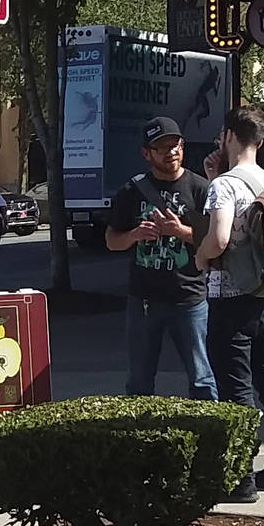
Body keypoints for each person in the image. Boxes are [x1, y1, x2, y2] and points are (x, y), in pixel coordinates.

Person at [195, 105, 264, 502]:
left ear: (228, 136)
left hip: (230, 298)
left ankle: (241, 478)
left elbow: (220, 238)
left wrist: (201, 257)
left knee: (235, 387)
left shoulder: (224, 186)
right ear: (259, 140)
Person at [105, 116, 217, 402]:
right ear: (147, 154)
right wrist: (134, 235)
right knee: (140, 380)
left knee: (202, 377)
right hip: (143, 301)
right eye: (162, 148)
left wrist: (179, 231)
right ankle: (141, 440)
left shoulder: (199, 188)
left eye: (175, 145)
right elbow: (111, 241)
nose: (171, 152)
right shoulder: (132, 192)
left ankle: (210, 437)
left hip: (189, 298)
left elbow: (213, 244)